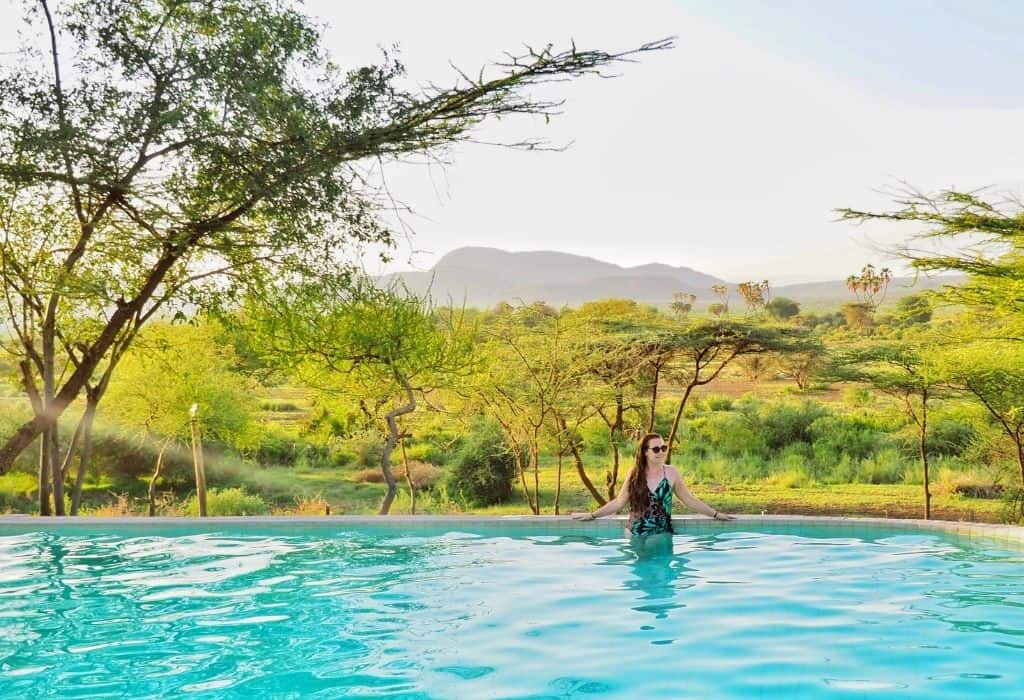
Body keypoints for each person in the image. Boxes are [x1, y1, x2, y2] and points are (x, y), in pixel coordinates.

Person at [572, 433, 734, 536]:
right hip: (635, 533)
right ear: (645, 452)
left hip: (660, 534)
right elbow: (619, 502)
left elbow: (689, 500)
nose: (661, 452)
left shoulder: (671, 473)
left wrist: (715, 514)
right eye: (656, 449)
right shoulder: (634, 473)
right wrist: (592, 515)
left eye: (663, 448)